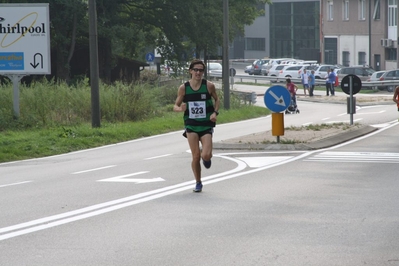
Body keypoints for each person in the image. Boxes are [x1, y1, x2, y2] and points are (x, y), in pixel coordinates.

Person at [173, 59, 220, 193]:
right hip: (191, 124)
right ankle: (198, 182)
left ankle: (207, 159)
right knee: (195, 156)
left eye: (201, 70)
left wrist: (215, 112)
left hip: (206, 124)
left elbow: (217, 99)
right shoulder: (184, 88)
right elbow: (175, 106)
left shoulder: (209, 86)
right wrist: (180, 109)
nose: (198, 72)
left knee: (205, 155)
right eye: (196, 70)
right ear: (190, 71)